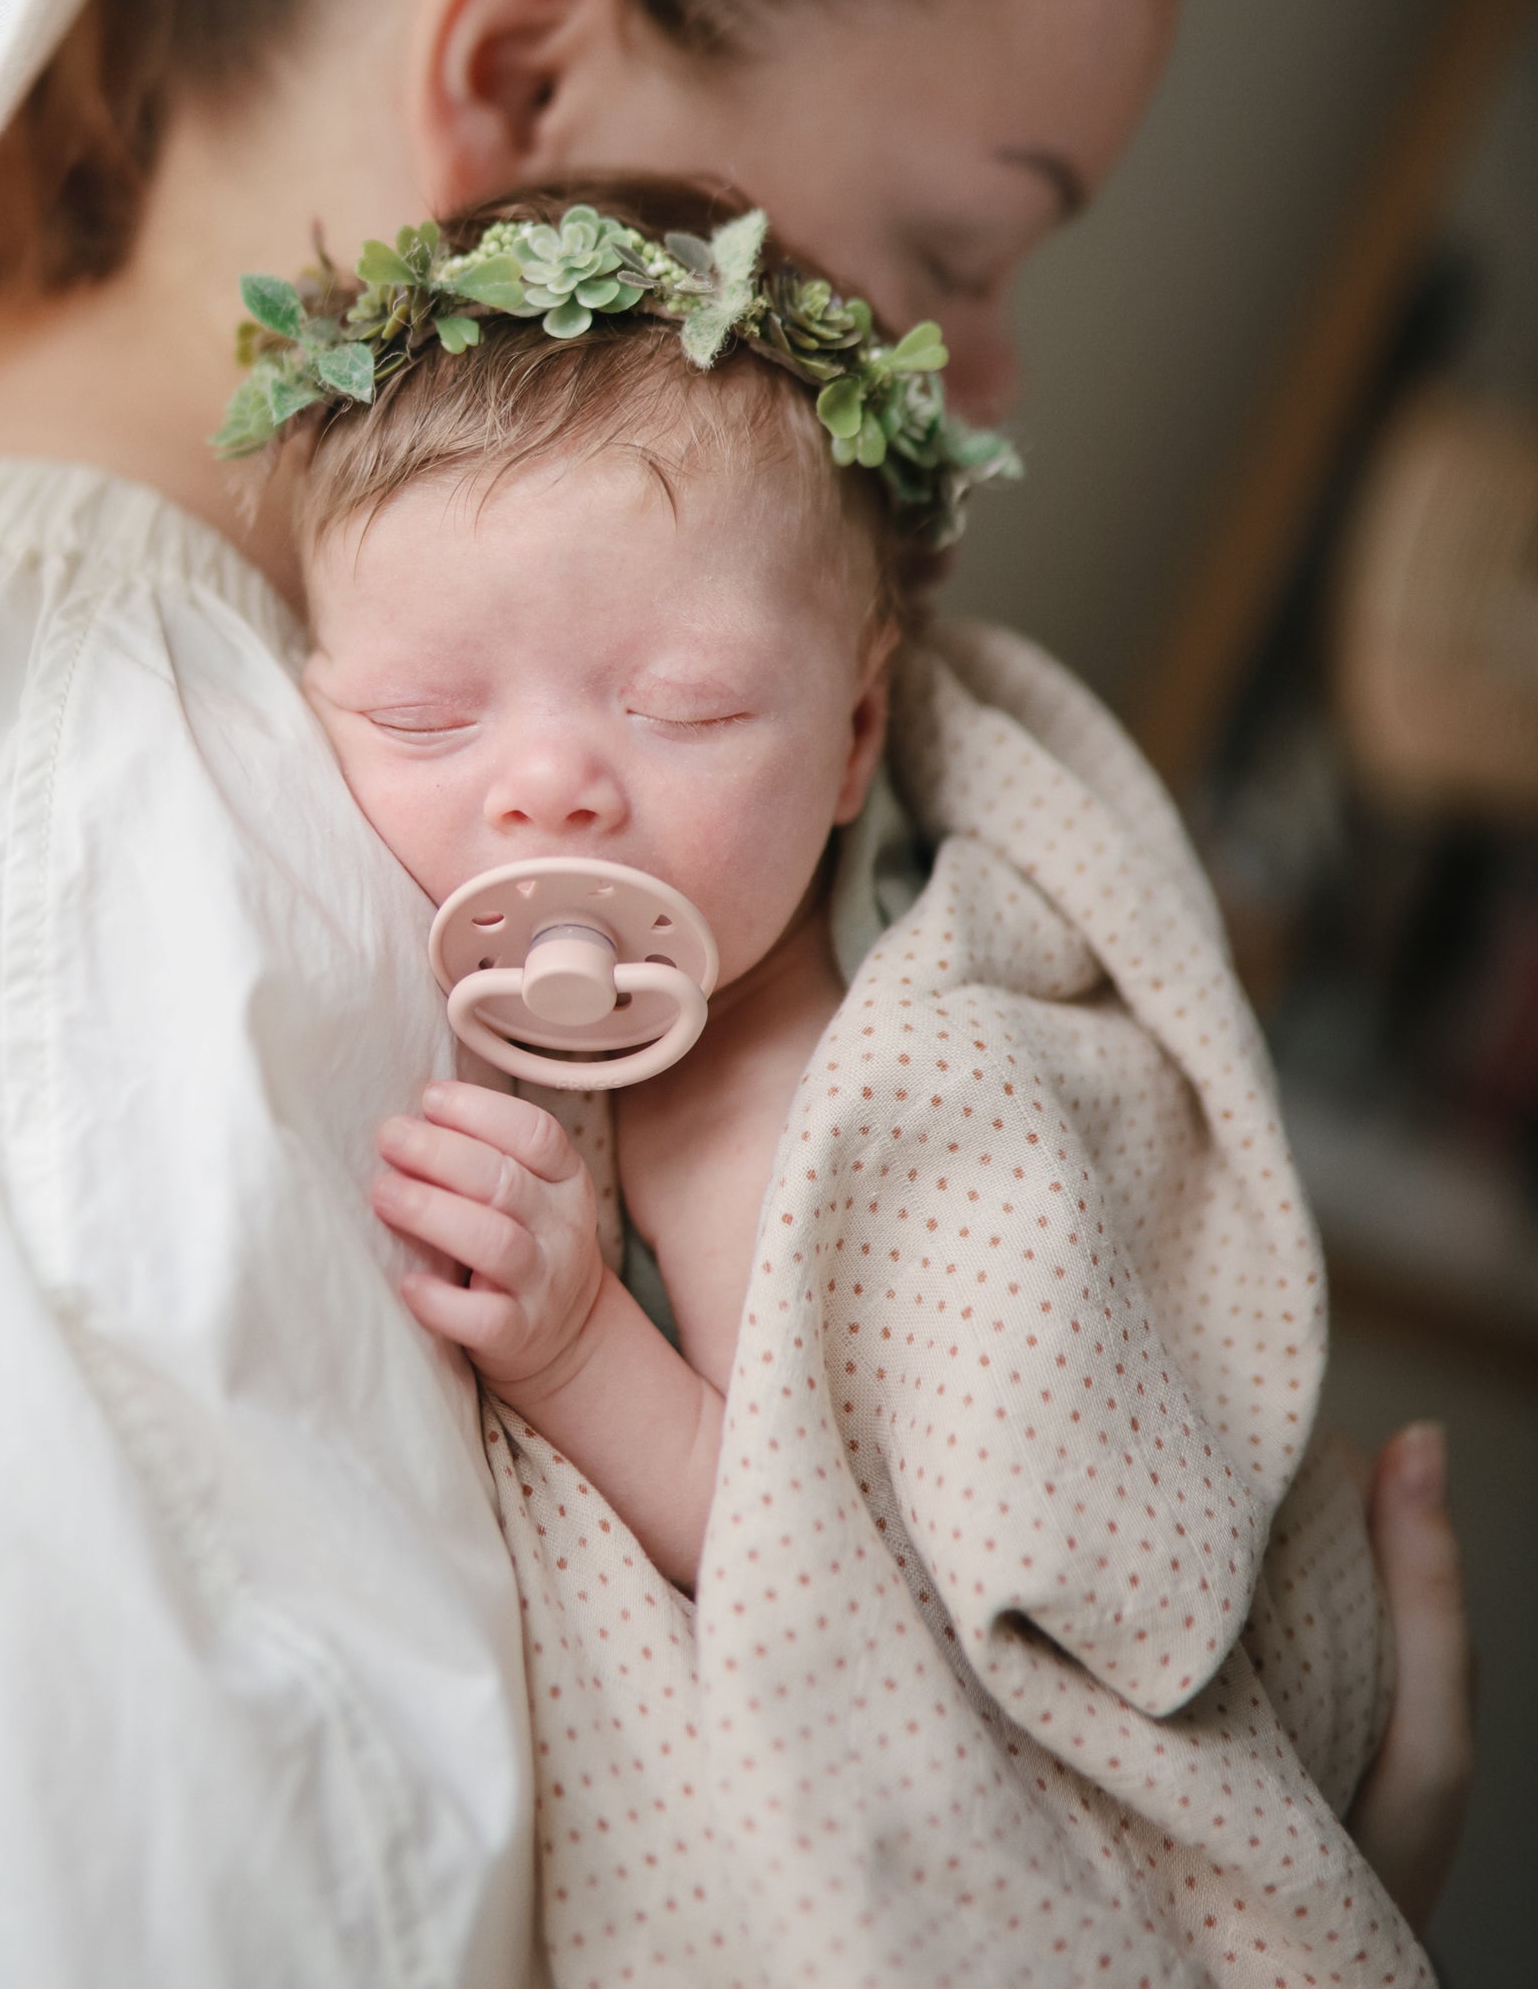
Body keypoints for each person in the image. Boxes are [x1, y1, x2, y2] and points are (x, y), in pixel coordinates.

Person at [0, 0, 1469, 1981]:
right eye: (953, 251)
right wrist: (1206, 1892)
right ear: (521, 78)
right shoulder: (94, 837)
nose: (977, 373)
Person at [267, 180, 1427, 1981]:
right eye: (428, 719)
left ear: (856, 737)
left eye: (689, 704)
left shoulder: (834, 1089)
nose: (549, 787)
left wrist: (577, 1352)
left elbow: (820, 1572)